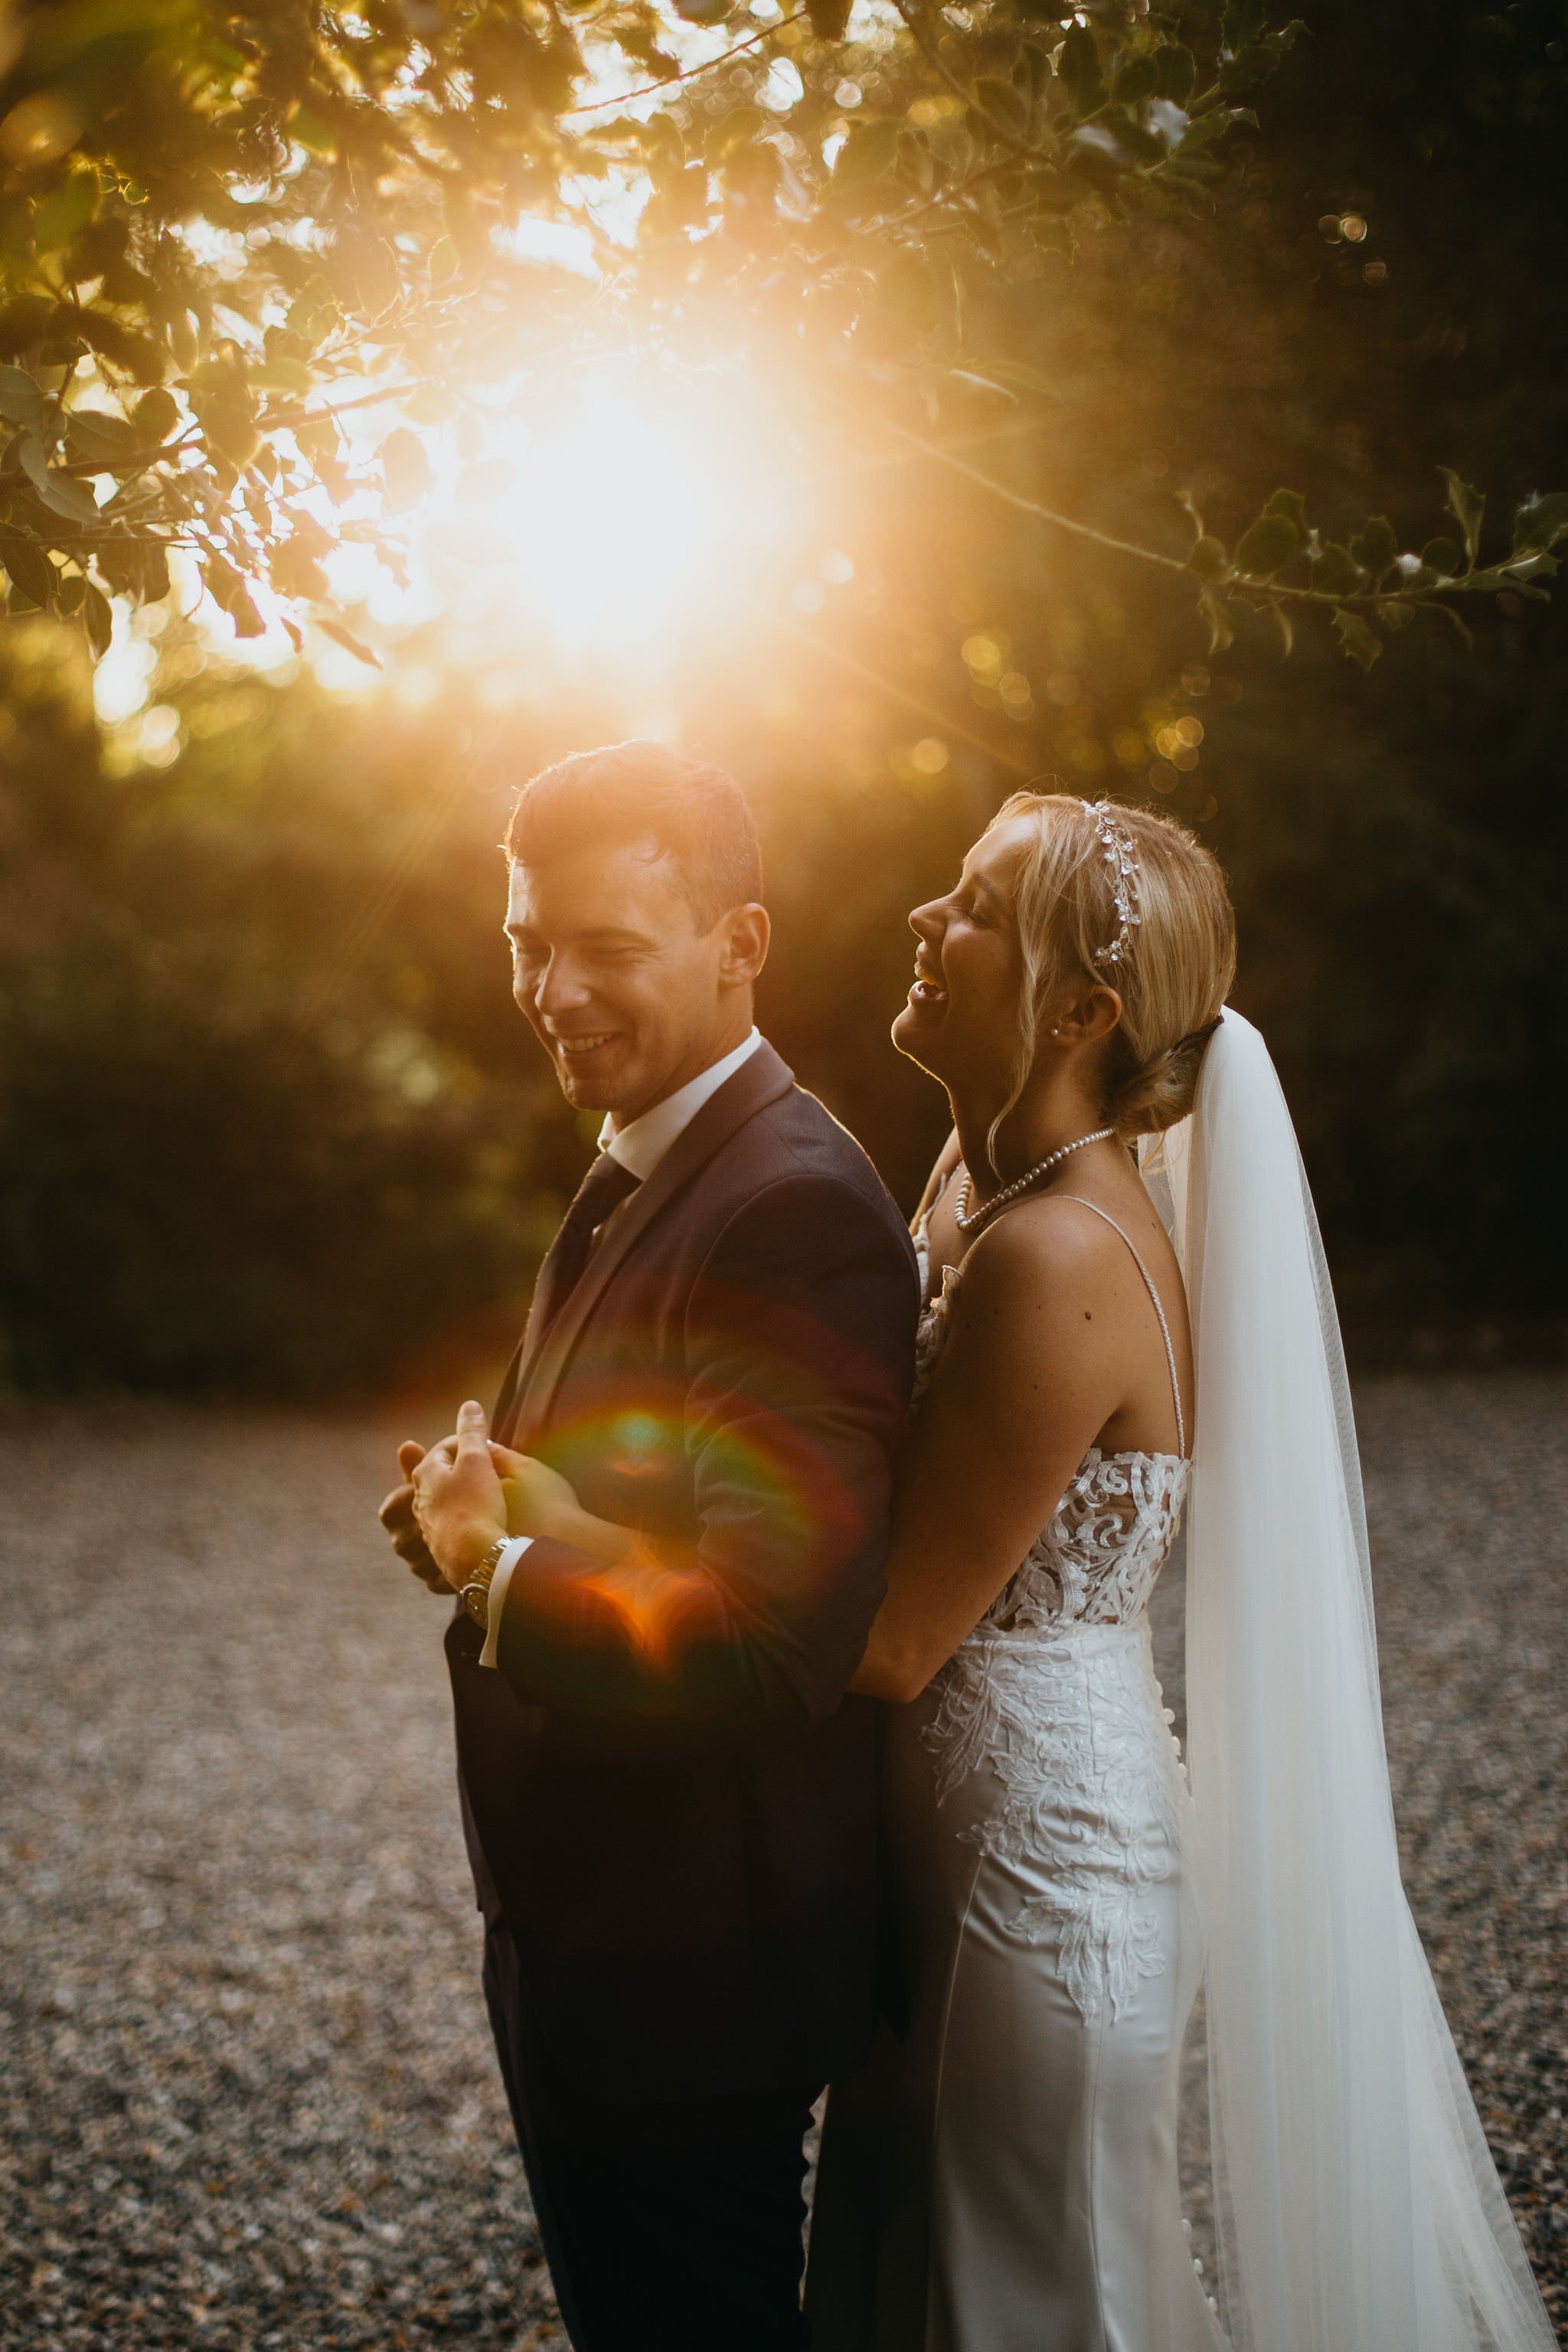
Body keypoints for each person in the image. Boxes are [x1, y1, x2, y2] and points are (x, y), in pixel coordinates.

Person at [800, 792, 1557, 2351]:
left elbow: (885, 1641)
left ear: (1079, 1007)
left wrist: (595, 1565)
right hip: (936, 1856)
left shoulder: (1057, 1258)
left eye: (972, 910)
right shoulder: (969, 1179)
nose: (920, 929)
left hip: (1027, 1883)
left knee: (1029, 2301)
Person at [377, 742, 919, 2352]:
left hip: (690, 1976)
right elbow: (658, 1514)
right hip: (600, 1938)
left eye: (604, 949)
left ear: (739, 944)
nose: (551, 991)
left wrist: (501, 1576)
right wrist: (489, 1514)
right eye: (529, 943)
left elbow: (770, 1640)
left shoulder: (790, 1210)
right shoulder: (653, 1157)